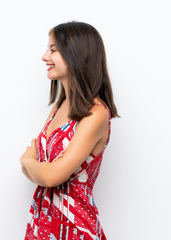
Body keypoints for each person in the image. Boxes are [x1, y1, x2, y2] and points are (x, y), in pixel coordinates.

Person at [20, 21, 119, 240]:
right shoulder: (59, 107)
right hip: (42, 224)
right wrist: (35, 167)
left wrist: (29, 161)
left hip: (74, 228)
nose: (45, 57)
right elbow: (38, 172)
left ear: (76, 54)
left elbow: (49, 176)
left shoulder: (96, 114)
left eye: (53, 50)